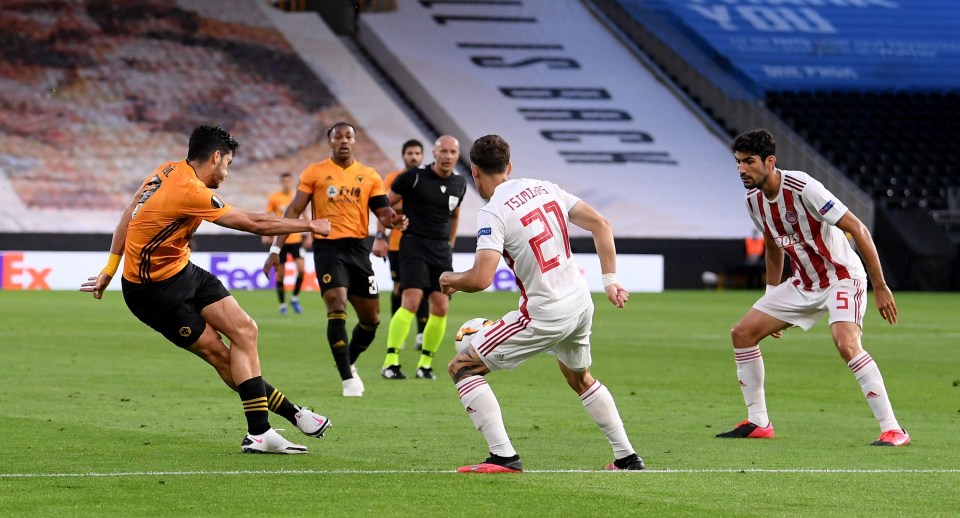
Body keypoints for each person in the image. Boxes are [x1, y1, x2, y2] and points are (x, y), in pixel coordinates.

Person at [80, 125, 332, 454]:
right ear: (215, 158)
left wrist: (109, 268)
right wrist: (309, 225)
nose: (226, 173)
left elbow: (130, 212)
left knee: (245, 330)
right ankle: (280, 421)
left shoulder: (166, 169)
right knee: (221, 355)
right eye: (227, 164)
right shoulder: (190, 190)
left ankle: (267, 430)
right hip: (152, 293)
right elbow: (253, 223)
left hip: (182, 270)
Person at [439, 134, 645, 472]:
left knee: (462, 367)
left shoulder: (493, 212)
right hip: (579, 302)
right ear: (509, 166)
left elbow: (480, 278)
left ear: (474, 172)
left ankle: (504, 456)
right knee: (580, 378)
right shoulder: (545, 187)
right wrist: (610, 281)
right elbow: (601, 224)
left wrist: (449, 280)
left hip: (543, 312)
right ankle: (627, 457)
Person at [716, 128, 909, 447]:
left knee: (846, 343)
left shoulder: (802, 186)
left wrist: (881, 285)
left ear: (769, 161)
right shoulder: (753, 201)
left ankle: (893, 429)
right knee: (742, 333)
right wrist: (770, 295)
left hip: (842, 278)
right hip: (804, 284)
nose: (741, 170)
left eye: (749, 162)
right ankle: (758, 421)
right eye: (738, 162)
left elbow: (858, 229)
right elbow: (773, 245)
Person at [263, 122, 406, 397]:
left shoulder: (369, 175)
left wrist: (394, 220)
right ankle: (347, 380)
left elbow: (383, 211)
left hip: (358, 250)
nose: (343, 140)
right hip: (328, 248)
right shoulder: (314, 173)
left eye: (348, 136)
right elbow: (293, 210)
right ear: (330, 142)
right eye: (337, 136)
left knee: (372, 320)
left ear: (355, 142)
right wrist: (275, 250)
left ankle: (347, 361)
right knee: (336, 302)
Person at [378, 135, 467, 380]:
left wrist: (450, 244)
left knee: (441, 306)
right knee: (412, 301)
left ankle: (425, 365)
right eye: (444, 151)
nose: (448, 156)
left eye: (453, 152)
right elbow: (384, 203)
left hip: (440, 250)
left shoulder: (460, 183)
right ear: (434, 153)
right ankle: (391, 362)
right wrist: (383, 230)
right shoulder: (414, 177)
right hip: (414, 245)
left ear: (457, 156)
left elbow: (455, 215)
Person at [373, 139, 430, 351]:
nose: (413, 157)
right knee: (398, 289)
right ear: (403, 156)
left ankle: (422, 333)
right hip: (398, 243)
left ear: (422, 156)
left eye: (417, 153)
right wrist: (381, 235)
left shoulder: (428, 178)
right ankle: (399, 332)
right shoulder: (392, 179)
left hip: (423, 243)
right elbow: (384, 208)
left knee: (421, 287)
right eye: (409, 153)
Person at [264, 172, 313, 314]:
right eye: (284, 181)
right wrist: (265, 234)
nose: (286, 184)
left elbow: (305, 217)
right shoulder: (274, 197)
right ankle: (282, 304)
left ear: (291, 182)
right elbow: (268, 215)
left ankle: (295, 298)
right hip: (281, 240)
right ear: (281, 182)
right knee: (281, 275)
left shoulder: (297, 197)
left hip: (296, 240)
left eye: (288, 181)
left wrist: (309, 236)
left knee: (302, 270)